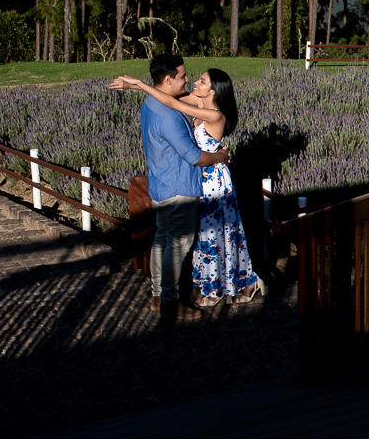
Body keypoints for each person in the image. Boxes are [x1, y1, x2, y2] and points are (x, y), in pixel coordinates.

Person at [111, 66, 263, 307]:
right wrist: (135, 87)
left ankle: (220, 288)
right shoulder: (199, 101)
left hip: (213, 182)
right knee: (208, 235)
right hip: (197, 178)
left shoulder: (216, 115)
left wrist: (139, 84)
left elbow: (173, 105)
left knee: (213, 235)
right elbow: (166, 96)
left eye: (201, 81)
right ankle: (240, 282)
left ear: (213, 91)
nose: (195, 82)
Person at [119, 54, 230, 320]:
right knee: (177, 247)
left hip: (160, 184)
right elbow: (194, 157)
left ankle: (160, 295)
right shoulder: (168, 115)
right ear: (168, 79)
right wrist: (220, 157)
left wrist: (137, 85)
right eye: (182, 76)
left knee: (162, 241)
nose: (187, 79)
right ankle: (169, 302)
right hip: (179, 188)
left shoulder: (151, 103)